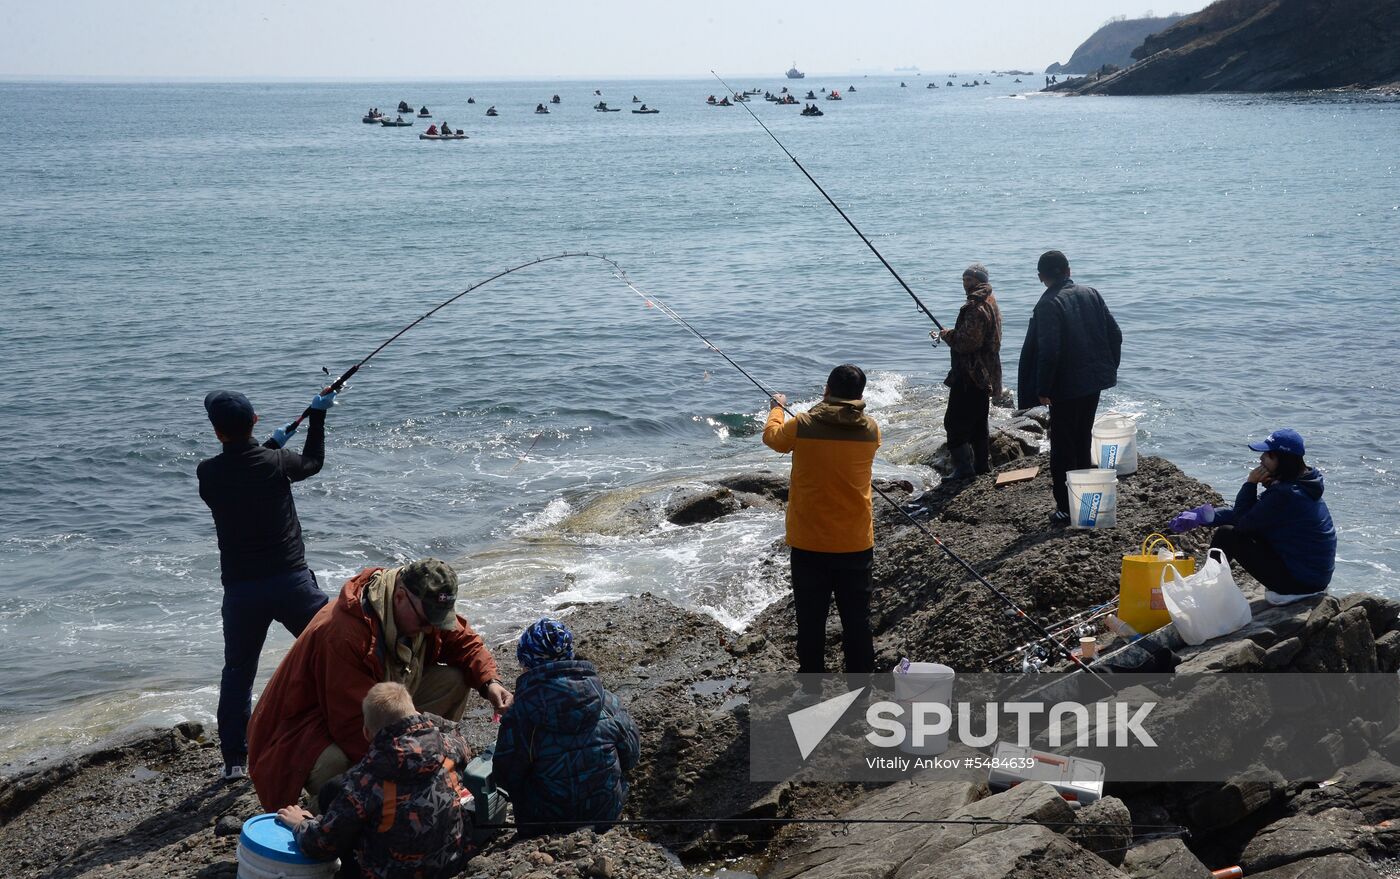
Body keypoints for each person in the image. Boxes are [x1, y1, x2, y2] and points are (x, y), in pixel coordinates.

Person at [247, 558, 511, 810]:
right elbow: (352, 726)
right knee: (339, 764)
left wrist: (490, 683)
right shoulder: (344, 633)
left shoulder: (420, 605)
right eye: (424, 621)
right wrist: (412, 760)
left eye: (436, 621)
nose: (431, 630)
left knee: (452, 680)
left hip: (372, 699)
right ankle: (325, 812)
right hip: (304, 728)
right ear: (399, 597)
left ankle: (406, 777)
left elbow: (463, 641)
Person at [198, 389, 338, 782]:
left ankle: (235, 762)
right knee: (333, 647)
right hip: (292, 583)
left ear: (216, 432)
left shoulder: (207, 473)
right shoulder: (275, 463)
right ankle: (344, 720)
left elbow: (243, 468)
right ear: (255, 420)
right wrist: (318, 419)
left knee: (238, 673)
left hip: (242, 593)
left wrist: (274, 444)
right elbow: (311, 462)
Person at [277, 683, 471, 879]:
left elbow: (322, 844)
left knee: (332, 792)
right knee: (337, 789)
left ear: (366, 733)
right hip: (450, 863)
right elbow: (453, 729)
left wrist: (301, 824)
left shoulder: (366, 779)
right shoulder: (451, 746)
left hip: (393, 874)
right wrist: (419, 720)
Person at [762, 365, 881, 676]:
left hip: (809, 542)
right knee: (857, 622)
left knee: (810, 622)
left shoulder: (803, 423)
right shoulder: (871, 429)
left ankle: (811, 688)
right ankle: (861, 691)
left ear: (827, 390)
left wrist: (777, 409)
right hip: (855, 543)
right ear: (860, 396)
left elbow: (773, 439)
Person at [493, 619, 639, 836]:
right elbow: (631, 757)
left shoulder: (520, 716)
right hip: (606, 815)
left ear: (526, 662)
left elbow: (505, 777)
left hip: (546, 825)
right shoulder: (607, 702)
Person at [1169, 429, 1336, 604]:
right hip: (1313, 577)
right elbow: (1253, 514)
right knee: (1240, 530)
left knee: (1227, 535)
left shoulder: (1286, 494)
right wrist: (1205, 517)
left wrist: (1250, 484)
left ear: (1283, 460)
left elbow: (1242, 522)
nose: (1261, 458)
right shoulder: (1303, 483)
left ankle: (1206, 592)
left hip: (1300, 583)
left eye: (1268, 455)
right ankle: (1209, 586)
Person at [1017, 250, 1122, 524]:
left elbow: (1049, 352)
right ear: (1068, 270)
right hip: (1092, 382)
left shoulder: (1048, 304)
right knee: (1082, 438)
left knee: (1063, 446)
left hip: (1065, 387)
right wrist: (1109, 367)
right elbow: (1116, 334)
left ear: (1041, 277)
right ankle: (1087, 500)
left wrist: (1043, 388)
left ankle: (1066, 507)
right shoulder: (1091, 293)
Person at [935, 263, 1002, 479]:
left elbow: (967, 343)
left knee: (954, 422)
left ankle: (964, 469)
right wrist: (954, 333)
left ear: (980, 281)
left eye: (970, 280)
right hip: (985, 373)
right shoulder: (990, 300)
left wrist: (948, 336)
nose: (966, 284)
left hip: (971, 374)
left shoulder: (975, 306)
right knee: (978, 422)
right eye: (964, 280)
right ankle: (981, 466)